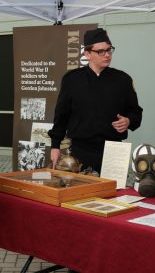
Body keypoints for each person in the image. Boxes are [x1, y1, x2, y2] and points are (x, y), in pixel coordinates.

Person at [48, 27, 143, 173]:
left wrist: (128, 120)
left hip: (114, 151)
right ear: (87, 54)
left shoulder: (123, 80)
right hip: (80, 152)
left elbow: (136, 112)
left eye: (109, 50)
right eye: (101, 51)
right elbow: (61, 116)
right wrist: (55, 146)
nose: (107, 55)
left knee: (114, 193)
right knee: (80, 193)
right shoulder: (72, 79)